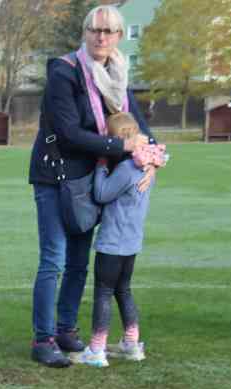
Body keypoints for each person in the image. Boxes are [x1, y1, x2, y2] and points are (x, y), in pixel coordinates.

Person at [27, 4, 155, 368]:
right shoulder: (64, 72)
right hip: (55, 176)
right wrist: (124, 147)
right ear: (85, 33)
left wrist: (153, 157)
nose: (101, 37)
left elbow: (141, 128)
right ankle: (43, 339)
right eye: (95, 30)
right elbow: (68, 133)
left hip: (89, 177)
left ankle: (66, 330)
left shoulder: (117, 75)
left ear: (118, 37)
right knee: (53, 259)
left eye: (109, 31)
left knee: (79, 263)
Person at [78, 113, 165, 368]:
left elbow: (102, 193)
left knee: (103, 292)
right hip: (131, 242)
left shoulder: (128, 168)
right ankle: (131, 343)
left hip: (113, 241)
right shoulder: (147, 165)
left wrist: (101, 165)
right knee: (123, 290)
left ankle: (96, 349)